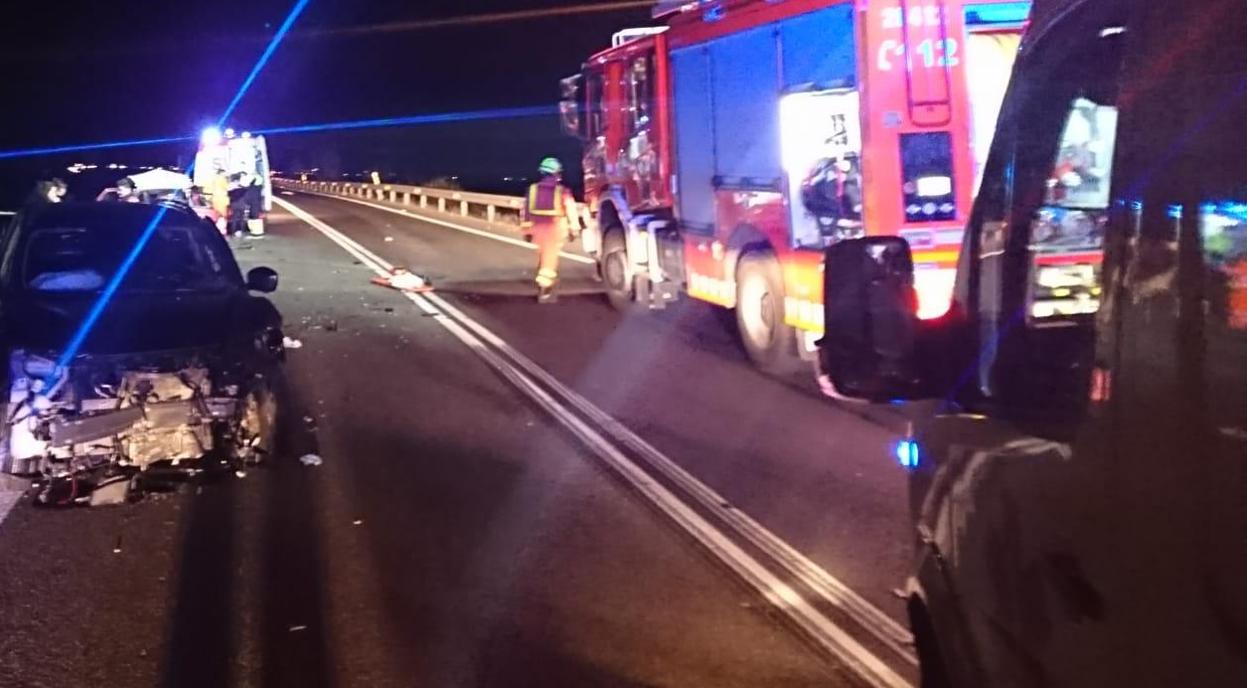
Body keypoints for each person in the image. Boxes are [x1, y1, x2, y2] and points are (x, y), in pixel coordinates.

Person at [521, 157, 582, 303]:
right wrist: (574, 229)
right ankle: (545, 290)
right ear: (556, 173)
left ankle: (543, 283)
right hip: (554, 228)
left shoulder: (532, 190)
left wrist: (527, 231)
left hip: (537, 228)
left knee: (543, 256)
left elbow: (525, 211)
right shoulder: (562, 191)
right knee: (550, 259)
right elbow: (571, 210)